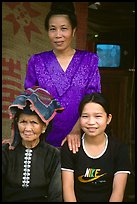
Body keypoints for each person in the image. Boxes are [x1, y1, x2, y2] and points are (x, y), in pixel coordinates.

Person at [24, 2, 101, 152]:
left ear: (73, 31)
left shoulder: (89, 60)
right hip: (43, 141)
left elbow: (94, 101)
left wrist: (76, 130)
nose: (58, 35)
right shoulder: (37, 61)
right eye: (53, 29)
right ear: (47, 32)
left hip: (81, 139)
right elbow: (29, 102)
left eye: (64, 28)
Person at [61, 92, 131, 202]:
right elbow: (68, 188)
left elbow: (118, 191)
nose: (91, 122)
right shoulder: (70, 147)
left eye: (98, 116)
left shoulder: (120, 149)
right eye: (85, 116)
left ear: (108, 119)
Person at [2, 86, 64, 202]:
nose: (27, 128)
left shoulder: (53, 155)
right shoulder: (5, 151)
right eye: (23, 122)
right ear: (17, 124)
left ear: (44, 127)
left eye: (34, 123)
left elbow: (56, 195)